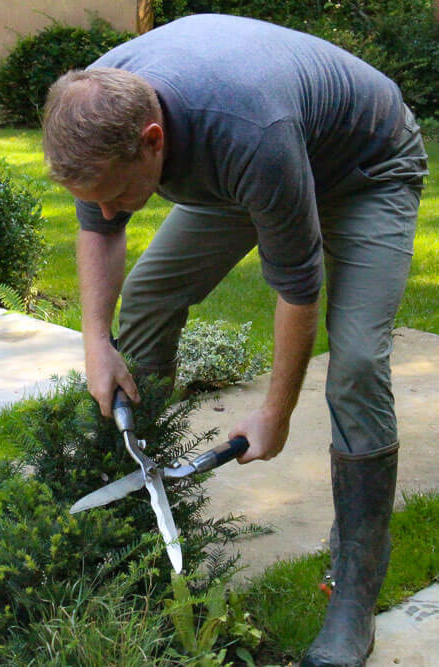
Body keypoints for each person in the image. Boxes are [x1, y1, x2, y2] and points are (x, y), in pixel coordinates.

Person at [42, 13, 427, 667]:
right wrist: (95, 342)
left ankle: (352, 596)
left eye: (115, 195)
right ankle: (136, 523)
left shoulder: (251, 131)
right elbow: (99, 231)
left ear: (153, 140)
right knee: (144, 307)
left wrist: (274, 415)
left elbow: (296, 289)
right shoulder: (98, 106)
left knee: (357, 361)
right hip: (244, 167)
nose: (106, 210)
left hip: (365, 169)